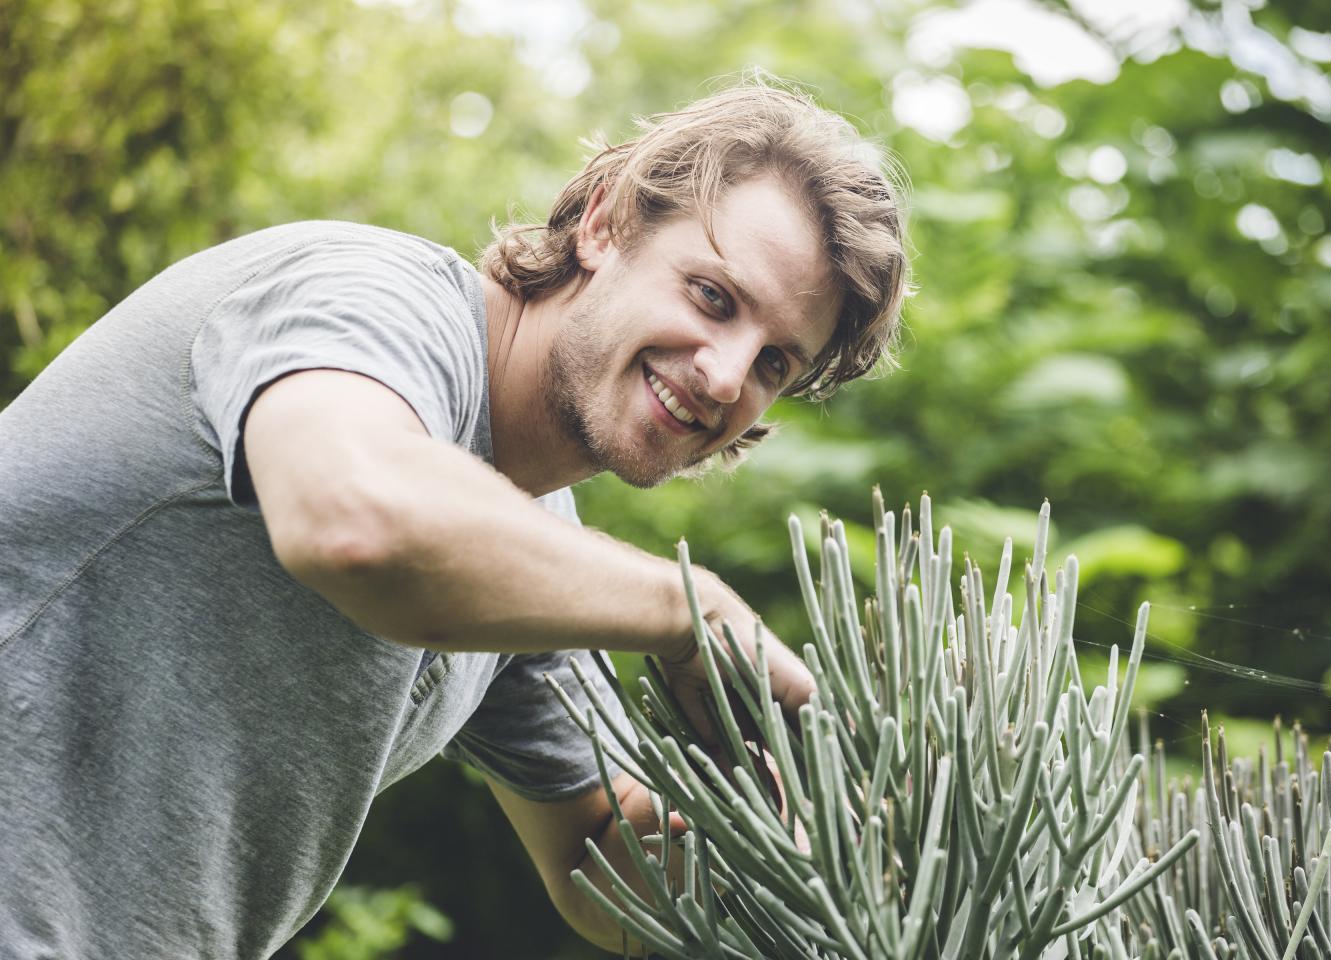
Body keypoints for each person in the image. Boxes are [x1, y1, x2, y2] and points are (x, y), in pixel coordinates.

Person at [0, 78, 909, 959]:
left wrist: (828, 840)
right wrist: (692, 611)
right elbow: (356, 520)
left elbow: (600, 860)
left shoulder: (523, 536)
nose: (725, 376)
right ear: (604, 222)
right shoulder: (367, 301)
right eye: (713, 297)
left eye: (775, 364)